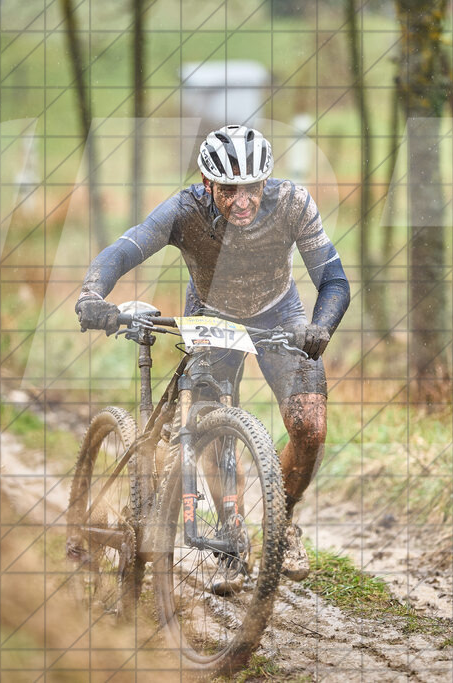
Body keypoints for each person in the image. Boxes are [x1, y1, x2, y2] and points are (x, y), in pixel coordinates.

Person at [75, 124, 350, 591]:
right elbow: (127, 247)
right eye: (228, 190)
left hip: (280, 313)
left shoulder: (293, 203)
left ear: (266, 181)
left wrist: (320, 326)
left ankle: (282, 523)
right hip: (212, 314)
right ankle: (230, 531)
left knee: (310, 426)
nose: (242, 201)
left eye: (252, 189)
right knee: (211, 423)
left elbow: (335, 280)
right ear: (207, 184)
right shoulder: (185, 210)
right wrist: (91, 294)